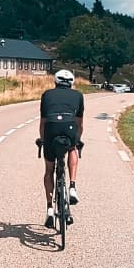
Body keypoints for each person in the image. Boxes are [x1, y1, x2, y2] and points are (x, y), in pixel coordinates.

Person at [37, 69, 84, 229]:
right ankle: (72, 186)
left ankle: (50, 207)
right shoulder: (78, 95)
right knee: (72, 149)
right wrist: (76, 140)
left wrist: (43, 140)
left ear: (55, 82)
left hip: (51, 127)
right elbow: (80, 123)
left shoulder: (47, 94)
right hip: (69, 126)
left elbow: (43, 122)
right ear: (71, 82)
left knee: (49, 169)